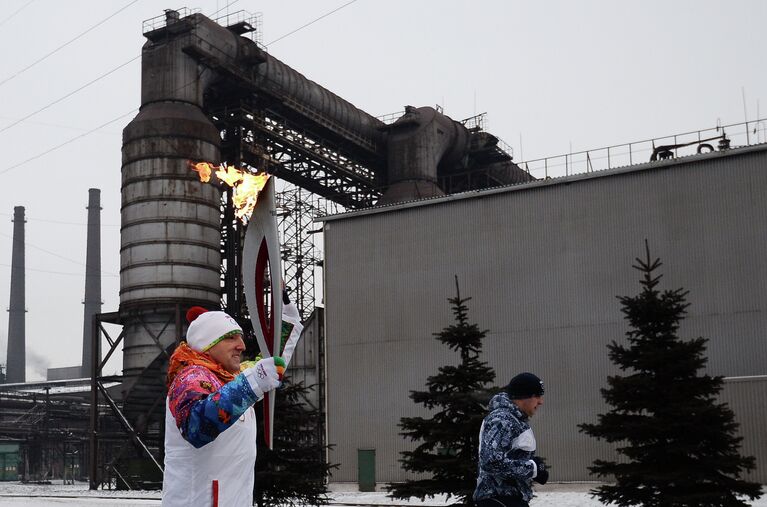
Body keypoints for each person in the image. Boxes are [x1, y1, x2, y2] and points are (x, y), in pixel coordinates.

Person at [162, 307, 283, 506]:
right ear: (207, 344)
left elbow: (271, 360)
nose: (242, 345)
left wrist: (284, 314)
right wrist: (255, 382)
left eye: (241, 338)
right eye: (231, 338)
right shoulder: (190, 377)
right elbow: (196, 426)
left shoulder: (229, 379)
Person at [474, 372, 548, 507]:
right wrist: (532, 468)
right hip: (499, 500)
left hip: (510, 499)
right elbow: (490, 461)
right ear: (523, 396)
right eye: (536, 395)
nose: (541, 401)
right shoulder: (501, 419)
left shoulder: (514, 419)